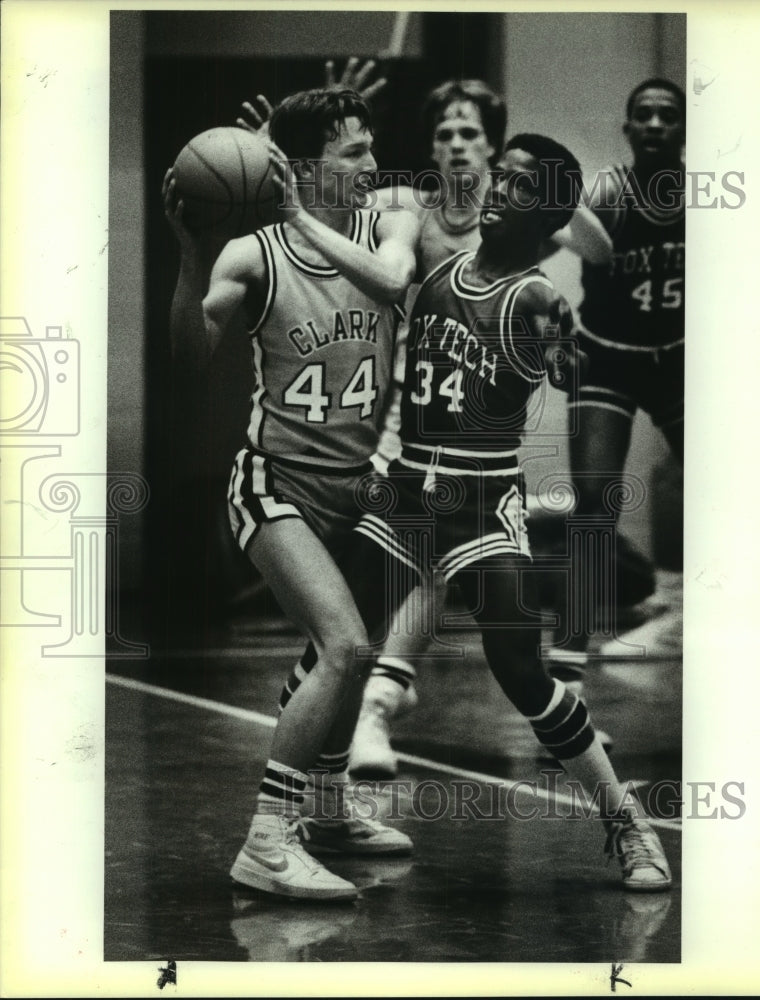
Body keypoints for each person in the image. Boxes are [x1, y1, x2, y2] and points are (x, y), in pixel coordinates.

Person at [235, 77, 614, 777]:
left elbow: (596, 247)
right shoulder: (408, 210)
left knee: (445, 588)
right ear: (432, 150)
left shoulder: (521, 234)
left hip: (475, 443)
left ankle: (380, 702)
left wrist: (556, 181)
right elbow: (338, 209)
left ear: (494, 148)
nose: (457, 144)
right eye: (444, 133)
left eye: (471, 133)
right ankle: (359, 723)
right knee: (364, 613)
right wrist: (277, 161)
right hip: (399, 422)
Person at [347, 132, 672, 891]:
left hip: (481, 500)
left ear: (549, 216)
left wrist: (560, 355)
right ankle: (312, 811)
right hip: (405, 489)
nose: (500, 190)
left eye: (523, 189)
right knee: (336, 648)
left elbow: (560, 357)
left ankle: (626, 820)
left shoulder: (538, 298)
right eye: (503, 178)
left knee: (520, 669)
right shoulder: (437, 278)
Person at [164, 86, 421, 901]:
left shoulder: (392, 213)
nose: (373, 164)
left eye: (371, 148)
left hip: (363, 487)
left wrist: (302, 212)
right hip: (275, 485)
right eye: (353, 152)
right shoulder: (252, 255)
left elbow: (390, 282)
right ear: (306, 166)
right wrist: (190, 252)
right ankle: (267, 843)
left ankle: (331, 810)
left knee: (351, 654)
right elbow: (189, 357)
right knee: (344, 648)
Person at [546, 78, 685, 675]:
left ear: (683, 129)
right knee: (595, 503)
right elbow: (538, 241)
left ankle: (679, 612)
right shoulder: (604, 195)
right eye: (643, 116)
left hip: (680, 355)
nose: (655, 124)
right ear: (627, 129)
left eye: (668, 115)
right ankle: (568, 668)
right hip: (606, 354)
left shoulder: (709, 197)